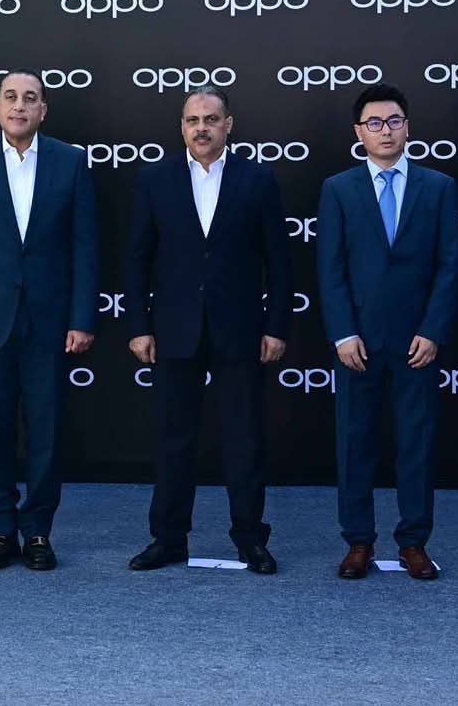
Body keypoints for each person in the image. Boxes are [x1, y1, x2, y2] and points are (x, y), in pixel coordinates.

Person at [124, 85, 293, 575]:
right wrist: (139, 326)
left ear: (228, 125)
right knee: (173, 439)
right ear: (181, 127)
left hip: (240, 329)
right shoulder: (155, 179)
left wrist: (276, 326)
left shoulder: (257, 179)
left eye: (211, 119)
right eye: (193, 120)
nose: (202, 128)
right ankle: (168, 539)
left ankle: (250, 538)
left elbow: (279, 262)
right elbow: (137, 259)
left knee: (244, 439)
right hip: (174, 329)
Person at [0, 69, 99, 570]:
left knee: (46, 433)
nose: (19, 105)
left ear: (43, 110)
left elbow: (85, 246)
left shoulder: (71, 161)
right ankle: (1, 529)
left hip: (50, 322)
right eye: (10, 96)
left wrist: (82, 318)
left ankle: (38, 531)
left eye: (30, 98)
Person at [315, 82, 458, 580]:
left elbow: (449, 266)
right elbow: (330, 269)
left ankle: (414, 542)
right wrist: (342, 334)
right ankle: (358, 541)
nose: (385, 131)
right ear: (359, 132)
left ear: (407, 127)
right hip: (357, 342)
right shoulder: (338, 189)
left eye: (394, 121)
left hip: (418, 341)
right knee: (355, 443)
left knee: (416, 444)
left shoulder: (439, 187)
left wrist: (433, 330)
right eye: (374, 123)